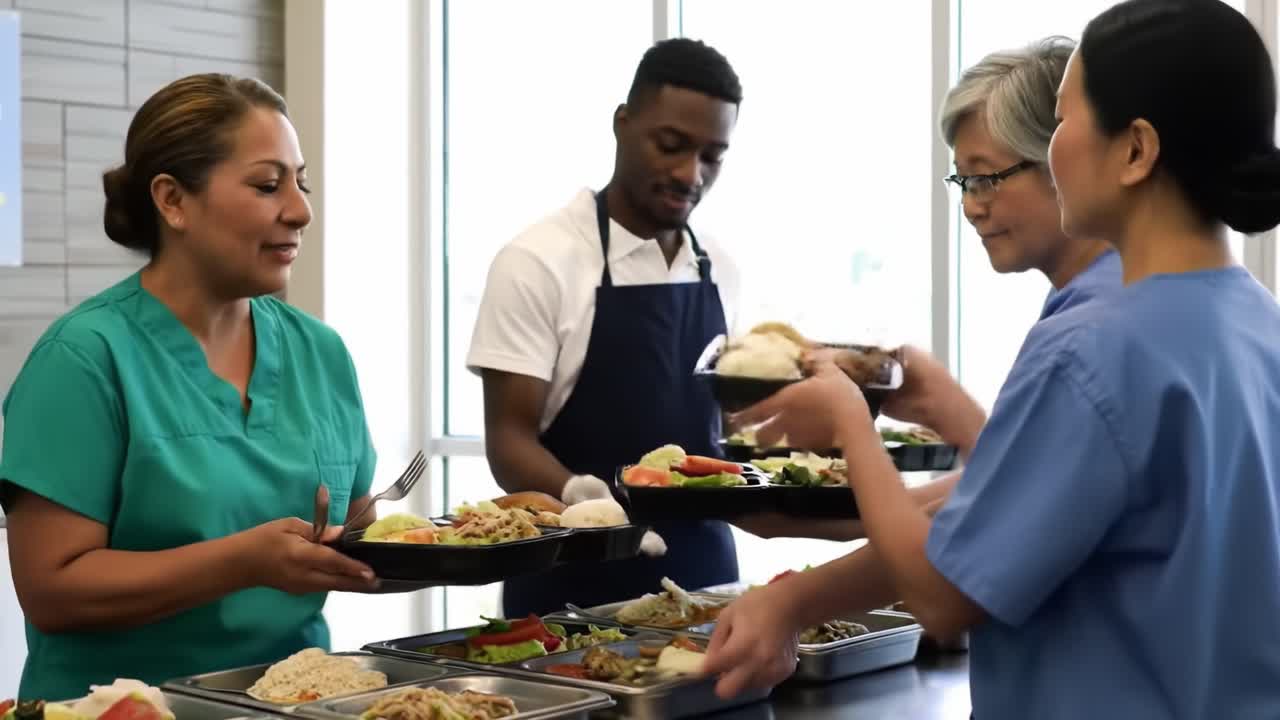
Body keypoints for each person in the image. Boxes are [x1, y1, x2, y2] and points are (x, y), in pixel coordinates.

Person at [704, 2, 1280, 717]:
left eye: (1064, 120)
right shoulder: (1256, 320)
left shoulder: (1095, 348)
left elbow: (943, 596)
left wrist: (853, 422)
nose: (1054, 144)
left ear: (1135, 150)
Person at [0, 74, 380, 699]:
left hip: (301, 702)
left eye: (301, 182)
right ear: (173, 200)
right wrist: (243, 562)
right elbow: (51, 591)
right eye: (267, 184)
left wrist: (487, 540)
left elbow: (363, 531)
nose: (300, 210)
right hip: (121, 710)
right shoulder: (84, 359)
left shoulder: (322, 353)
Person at [741, 36, 1122, 542]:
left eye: (986, 178)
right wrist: (800, 518)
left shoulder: (1090, 336)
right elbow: (998, 491)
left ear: (1064, 161)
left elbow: (985, 539)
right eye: (962, 182)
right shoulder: (1098, 298)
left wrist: (851, 423)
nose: (971, 206)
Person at [466, 38, 744, 617]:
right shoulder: (537, 262)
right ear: (623, 123)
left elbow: (722, 425)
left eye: (712, 156)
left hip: (709, 586)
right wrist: (581, 498)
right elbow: (509, 439)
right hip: (566, 593)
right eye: (671, 146)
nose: (690, 173)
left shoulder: (718, 266)